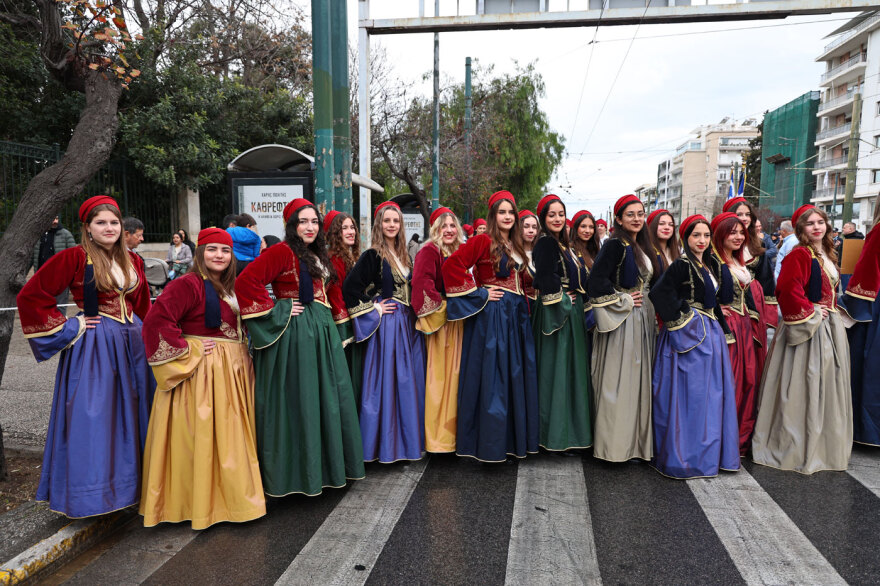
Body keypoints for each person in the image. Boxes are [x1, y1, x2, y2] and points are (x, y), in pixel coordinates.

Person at [17, 195, 154, 518]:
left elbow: (143, 304)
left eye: (114, 222)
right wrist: (70, 326)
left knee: (136, 412)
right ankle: (95, 496)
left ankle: (136, 490)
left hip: (133, 345)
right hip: (96, 345)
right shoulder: (74, 257)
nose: (109, 228)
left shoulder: (133, 260)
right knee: (96, 418)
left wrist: (155, 338)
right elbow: (31, 296)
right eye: (101, 222)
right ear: (87, 228)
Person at [236, 199, 364, 495]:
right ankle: (296, 477)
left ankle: (325, 471)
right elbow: (246, 281)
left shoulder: (319, 253)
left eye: (314, 222)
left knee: (327, 400)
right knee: (301, 400)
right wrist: (278, 310)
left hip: (322, 332)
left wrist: (342, 326)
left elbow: (330, 293)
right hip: (296, 335)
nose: (310, 227)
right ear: (291, 225)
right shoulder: (282, 251)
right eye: (303, 221)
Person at [139, 228, 265, 529]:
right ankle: (203, 505)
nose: (219, 256)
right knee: (205, 439)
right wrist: (188, 347)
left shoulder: (232, 285)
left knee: (231, 440)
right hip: (204, 373)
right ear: (200, 253)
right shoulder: (188, 284)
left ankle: (230, 501)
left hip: (235, 371)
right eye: (212, 249)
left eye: (225, 250)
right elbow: (156, 322)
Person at [751, 205, 852, 474]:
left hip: (829, 327)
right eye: (810, 223)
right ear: (800, 228)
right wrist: (812, 313)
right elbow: (787, 290)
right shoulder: (800, 254)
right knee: (804, 384)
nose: (817, 227)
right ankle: (798, 445)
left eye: (821, 222)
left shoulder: (826, 252)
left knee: (824, 385)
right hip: (809, 328)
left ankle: (822, 446)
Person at [441, 190, 539, 462]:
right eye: (501, 212)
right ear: (493, 216)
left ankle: (511, 441)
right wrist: (480, 293)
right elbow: (452, 266)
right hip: (494, 315)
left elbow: (525, 282)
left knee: (514, 376)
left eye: (510, 212)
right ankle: (489, 444)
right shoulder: (483, 240)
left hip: (517, 317)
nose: (507, 216)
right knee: (494, 378)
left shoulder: (517, 244)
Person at [648, 215, 739, 479]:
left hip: (710, 336)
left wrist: (722, 327)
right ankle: (685, 457)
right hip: (689, 337)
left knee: (710, 397)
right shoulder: (681, 265)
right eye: (696, 235)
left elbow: (718, 300)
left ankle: (706, 455)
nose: (702, 240)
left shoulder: (709, 264)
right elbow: (658, 293)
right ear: (685, 238)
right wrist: (686, 319)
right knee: (690, 397)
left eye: (706, 235)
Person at [343, 201, 426, 463]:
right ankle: (384, 447)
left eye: (396, 221)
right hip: (389, 326)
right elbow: (350, 288)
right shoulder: (373, 255)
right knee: (388, 384)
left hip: (408, 324)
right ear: (379, 224)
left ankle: (406, 445)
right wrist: (375, 308)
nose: (392, 225)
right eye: (387, 220)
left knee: (407, 383)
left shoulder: (405, 255)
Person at [587, 194, 660, 463]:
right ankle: (614, 448)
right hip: (624, 321)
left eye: (640, 213)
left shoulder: (642, 244)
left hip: (643, 318)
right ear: (618, 219)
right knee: (620, 381)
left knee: (638, 382)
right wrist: (623, 299)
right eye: (630, 214)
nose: (637, 218)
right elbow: (595, 282)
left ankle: (635, 445)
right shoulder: (615, 245)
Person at [531, 195, 592, 452]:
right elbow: (546, 278)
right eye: (552, 214)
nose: (557, 219)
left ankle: (569, 434)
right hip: (557, 314)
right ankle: (554, 436)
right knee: (556, 373)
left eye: (561, 214)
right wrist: (564, 300)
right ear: (543, 218)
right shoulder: (546, 242)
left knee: (569, 373)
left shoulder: (563, 245)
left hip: (570, 313)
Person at [412, 207, 466, 454]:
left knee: (456, 380)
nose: (449, 230)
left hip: (459, 322)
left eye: (452, 225)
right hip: (441, 324)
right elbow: (422, 284)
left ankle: (454, 438)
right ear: (435, 229)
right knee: (440, 382)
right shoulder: (429, 251)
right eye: (443, 226)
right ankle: (438, 441)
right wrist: (446, 308)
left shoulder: (458, 251)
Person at [711, 212, 765, 455]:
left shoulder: (737, 259)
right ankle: (722, 440)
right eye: (732, 232)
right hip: (728, 327)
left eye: (741, 232)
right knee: (730, 382)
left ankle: (740, 438)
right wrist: (715, 308)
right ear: (720, 234)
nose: (738, 237)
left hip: (744, 326)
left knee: (748, 381)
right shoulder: (713, 261)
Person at [839, 205, 880, 446]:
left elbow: (866, 269)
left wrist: (849, 304)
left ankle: (868, 430)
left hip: (875, 304)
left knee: (868, 363)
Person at [324, 210, 364, 403]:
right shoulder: (335, 258)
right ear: (334, 233)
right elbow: (336, 294)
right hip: (344, 326)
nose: (351, 232)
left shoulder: (349, 256)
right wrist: (348, 322)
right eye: (344, 228)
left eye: (352, 227)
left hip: (353, 320)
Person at [723, 197, 777, 331]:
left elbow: (766, 278)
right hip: (729, 301)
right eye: (739, 214)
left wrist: (769, 311)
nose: (744, 218)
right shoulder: (719, 246)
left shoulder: (759, 244)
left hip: (755, 298)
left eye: (747, 214)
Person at [31, 215, 77, 314]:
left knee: (60, 306)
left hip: (60, 278)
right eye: (52, 218)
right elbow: (32, 257)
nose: (55, 221)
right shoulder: (38, 236)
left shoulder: (65, 234)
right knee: (43, 305)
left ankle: (61, 323)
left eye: (56, 218)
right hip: (42, 277)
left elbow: (74, 256)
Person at [569, 209, 600, 334]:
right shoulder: (570, 250)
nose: (588, 231)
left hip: (597, 310)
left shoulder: (595, 251)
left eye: (591, 227)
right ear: (575, 228)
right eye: (583, 226)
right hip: (579, 311)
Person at [646, 209, 680, 275]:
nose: (667, 227)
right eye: (661, 224)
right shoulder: (646, 252)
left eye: (671, 225)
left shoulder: (676, 252)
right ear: (652, 226)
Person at [520, 209, 539, 303]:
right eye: (526, 226)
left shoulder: (541, 252)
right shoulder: (511, 253)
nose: (531, 231)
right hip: (521, 306)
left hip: (541, 307)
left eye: (534, 227)